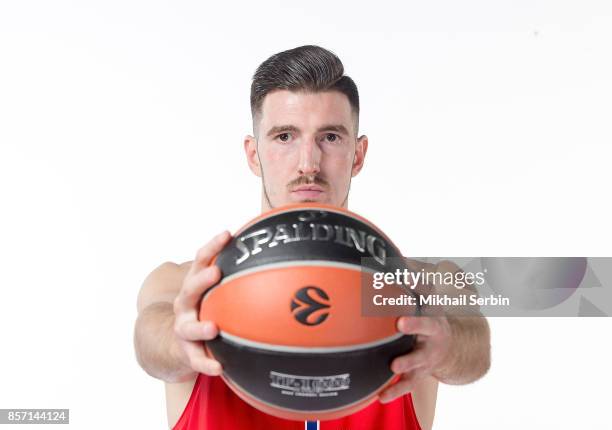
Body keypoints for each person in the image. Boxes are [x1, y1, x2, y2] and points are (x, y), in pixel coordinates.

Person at [133, 45, 491, 430]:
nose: (308, 163)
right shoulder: (188, 285)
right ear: (254, 155)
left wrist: (446, 344)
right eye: (284, 136)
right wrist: (179, 339)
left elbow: (474, 342)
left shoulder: (416, 283)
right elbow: (152, 337)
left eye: (331, 138)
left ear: (357, 153)